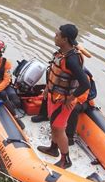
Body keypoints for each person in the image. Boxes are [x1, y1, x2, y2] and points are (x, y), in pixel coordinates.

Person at [37, 24, 90, 169]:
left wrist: (71, 97)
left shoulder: (72, 60)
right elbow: (55, 72)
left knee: (58, 128)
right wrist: (48, 87)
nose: (55, 35)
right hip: (54, 96)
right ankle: (53, 148)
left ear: (65, 39)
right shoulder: (62, 53)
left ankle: (65, 159)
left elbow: (85, 84)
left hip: (63, 101)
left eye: (57, 35)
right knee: (53, 124)